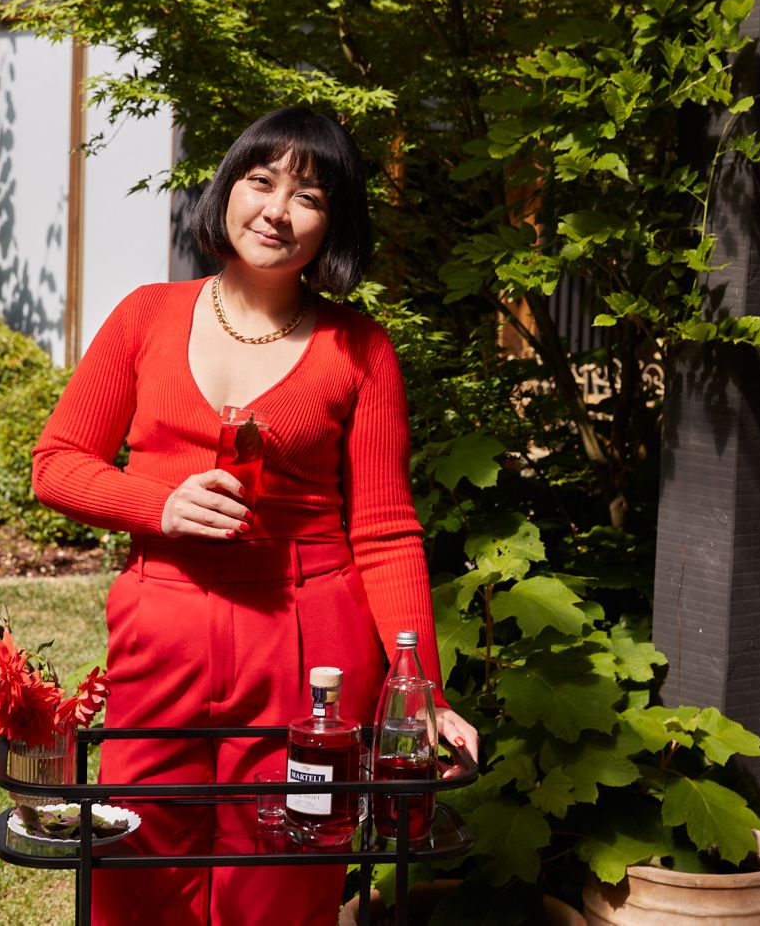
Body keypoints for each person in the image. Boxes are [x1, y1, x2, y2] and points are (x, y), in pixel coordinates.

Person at [31, 105, 478, 926]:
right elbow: (56, 463)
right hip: (162, 627)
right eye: (261, 180)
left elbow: (384, 530)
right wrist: (156, 503)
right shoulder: (144, 317)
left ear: (332, 222)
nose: (277, 209)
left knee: (285, 874)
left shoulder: (362, 349)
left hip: (312, 646)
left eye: (308, 195)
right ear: (227, 189)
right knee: (133, 857)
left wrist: (426, 696)